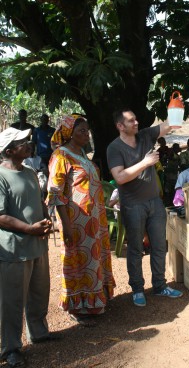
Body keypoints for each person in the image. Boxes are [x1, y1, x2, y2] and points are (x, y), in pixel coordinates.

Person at [107, 109, 183, 307]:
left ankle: (159, 286)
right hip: (132, 205)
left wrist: (176, 108)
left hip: (154, 202)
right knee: (135, 249)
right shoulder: (114, 148)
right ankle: (138, 289)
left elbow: (170, 124)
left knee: (159, 246)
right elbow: (120, 177)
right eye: (131, 121)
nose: (136, 122)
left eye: (136, 119)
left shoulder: (145, 135)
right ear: (120, 126)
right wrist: (145, 163)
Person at [46, 115, 115, 326]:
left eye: (87, 130)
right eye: (82, 131)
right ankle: (78, 306)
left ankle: (95, 300)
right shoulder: (61, 156)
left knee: (93, 259)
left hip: (94, 220)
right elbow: (55, 193)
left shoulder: (82, 154)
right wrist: (65, 225)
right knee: (78, 260)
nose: (87, 134)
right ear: (69, 133)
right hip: (76, 221)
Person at [0, 128, 54, 368]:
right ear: (9, 151)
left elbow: (39, 201)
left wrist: (45, 218)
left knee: (39, 293)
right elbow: (1, 216)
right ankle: (10, 348)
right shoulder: (1, 176)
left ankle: (39, 332)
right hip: (15, 250)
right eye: (23, 142)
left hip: (37, 245)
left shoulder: (30, 171)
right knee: (12, 301)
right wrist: (29, 229)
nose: (29, 144)